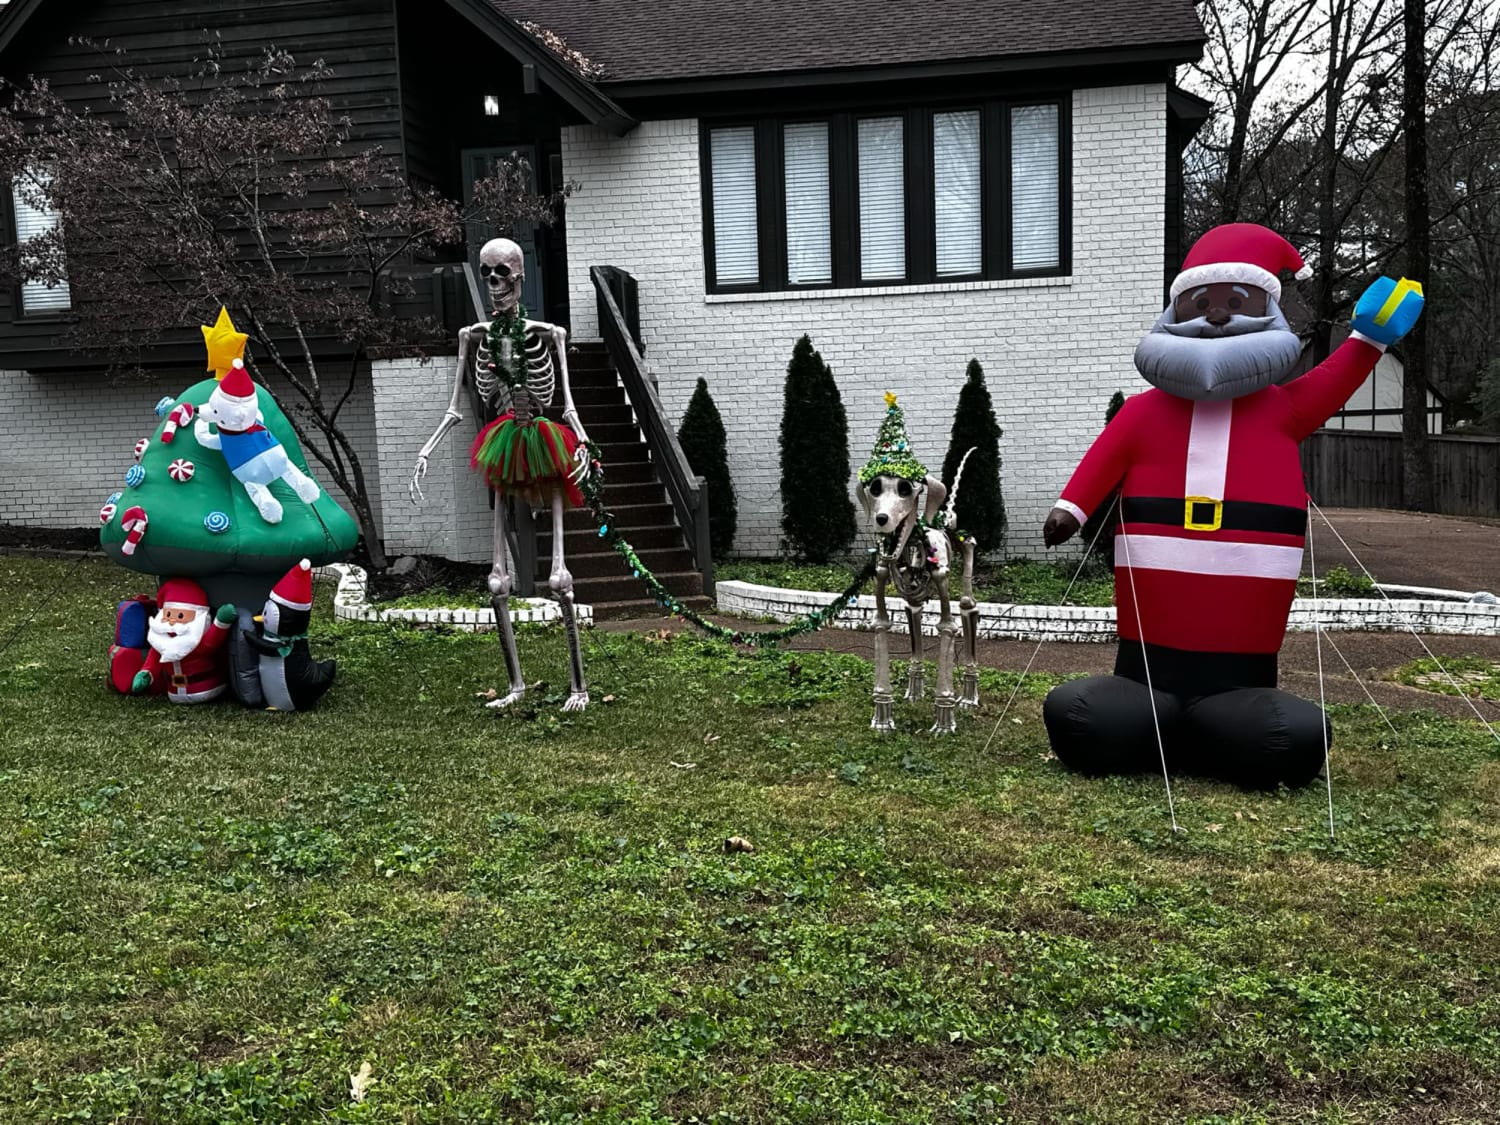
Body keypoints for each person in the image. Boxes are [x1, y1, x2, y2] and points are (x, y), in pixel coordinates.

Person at [1041, 223, 1424, 788]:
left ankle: (1219, 716)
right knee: (1082, 716)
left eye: (1236, 304)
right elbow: (1105, 457)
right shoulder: (1145, 412)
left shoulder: (1282, 410)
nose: (1217, 316)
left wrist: (1369, 339)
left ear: (1267, 310)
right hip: (1147, 658)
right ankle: (1154, 709)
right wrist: (1071, 508)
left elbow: (1333, 379)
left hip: (1242, 666)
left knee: (1289, 737)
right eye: (1202, 304)